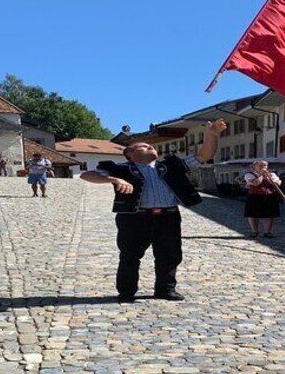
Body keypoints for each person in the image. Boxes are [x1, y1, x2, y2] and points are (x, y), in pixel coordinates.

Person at [80, 119, 226, 303]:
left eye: (151, 146)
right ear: (130, 154)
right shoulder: (120, 169)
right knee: (130, 256)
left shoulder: (170, 166)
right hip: (135, 219)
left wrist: (212, 135)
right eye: (143, 146)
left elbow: (203, 156)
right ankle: (126, 292)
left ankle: (165, 290)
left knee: (170, 255)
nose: (150, 146)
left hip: (168, 217)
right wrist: (114, 180)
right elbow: (87, 175)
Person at [243, 160, 282, 238]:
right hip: (254, 196)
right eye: (260, 165)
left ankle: (267, 232)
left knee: (269, 215)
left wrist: (268, 177)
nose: (263, 167)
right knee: (253, 214)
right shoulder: (249, 175)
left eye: (265, 165)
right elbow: (255, 183)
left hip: (269, 195)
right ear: (254, 167)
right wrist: (261, 175)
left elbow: (277, 184)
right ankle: (255, 231)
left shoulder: (272, 174)